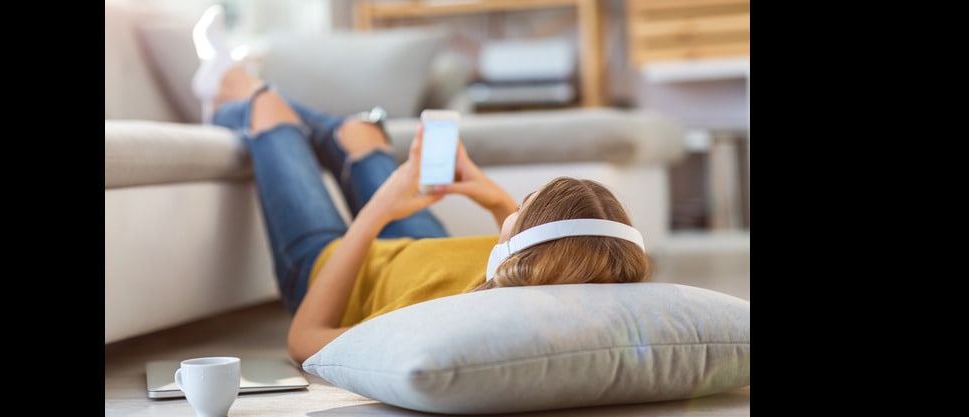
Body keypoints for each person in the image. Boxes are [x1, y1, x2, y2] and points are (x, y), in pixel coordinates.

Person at [191, 6, 651, 364]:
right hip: (424, 246)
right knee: (363, 131)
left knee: (270, 112)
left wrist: (378, 211)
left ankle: (229, 88)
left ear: (518, 242)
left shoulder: (437, 323)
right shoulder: (541, 279)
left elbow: (304, 341)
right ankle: (305, 118)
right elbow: (541, 252)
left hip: (331, 265)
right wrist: (489, 194)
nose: (507, 213)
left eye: (518, 208)